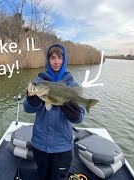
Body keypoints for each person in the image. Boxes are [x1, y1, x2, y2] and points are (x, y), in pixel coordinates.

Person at [23, 44, 85, 180]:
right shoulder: (38, 82)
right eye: (52, 58)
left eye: (60, 58)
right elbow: (27, 108)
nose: (56, 62)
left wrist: (76, 115)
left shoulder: (72, 85)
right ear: (48, 60)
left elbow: (80, 117)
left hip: (62, 147)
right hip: (39, 144)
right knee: (41, 176)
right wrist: (31, 101)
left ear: (64, 60)